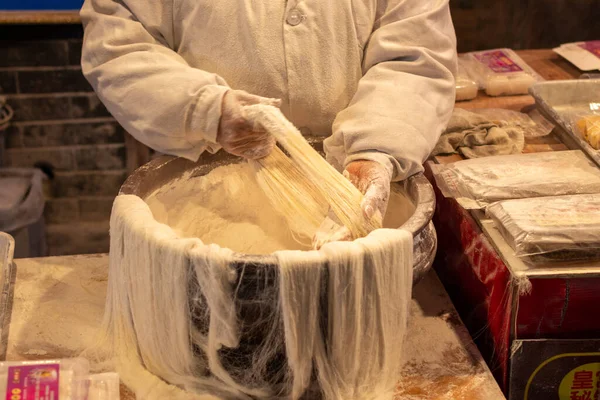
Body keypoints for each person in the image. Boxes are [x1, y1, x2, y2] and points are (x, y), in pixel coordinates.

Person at [80, 0, 457, 245]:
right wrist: (204, 109)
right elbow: (120, 43)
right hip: (202, 180)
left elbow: (416, 58)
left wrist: (376, 147)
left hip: (348, 179)